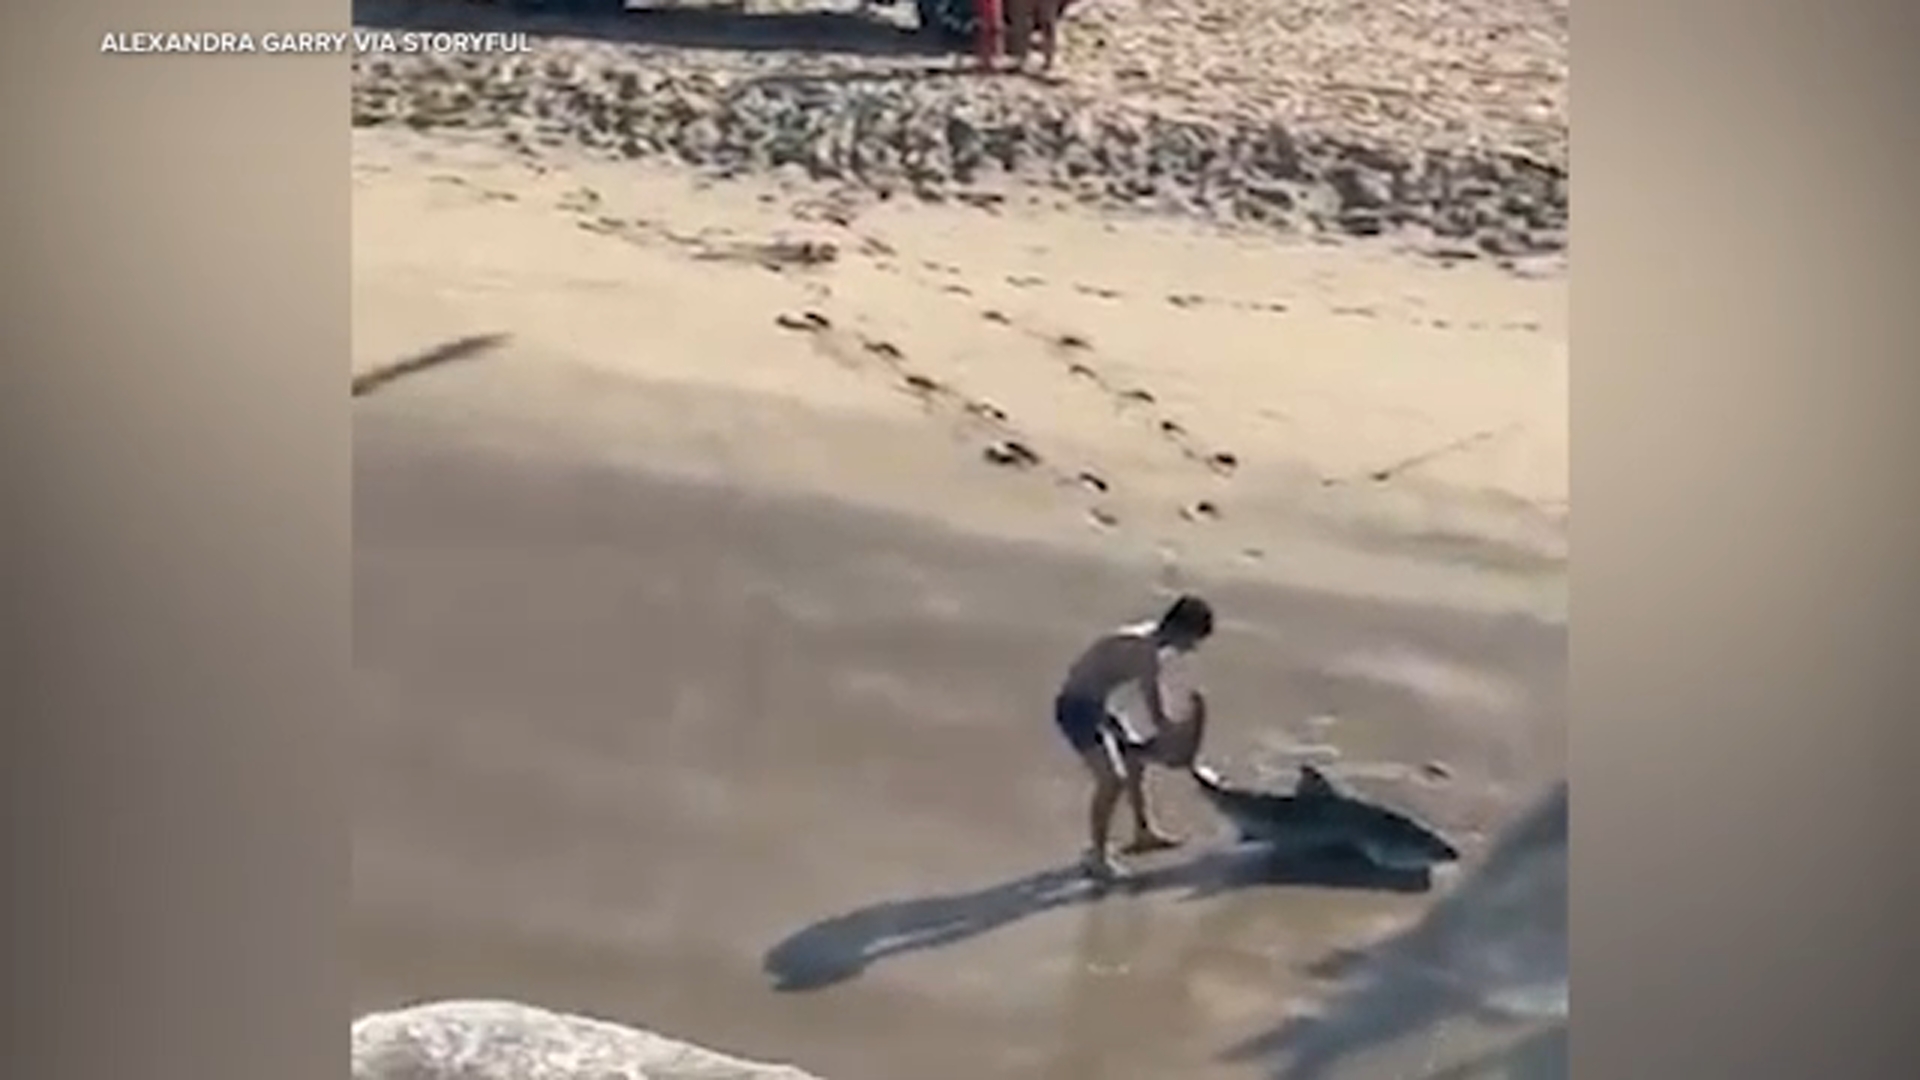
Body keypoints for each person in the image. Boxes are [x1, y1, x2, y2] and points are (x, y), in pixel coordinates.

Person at [1053, 594, 1216, 879]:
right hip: (1076, 707)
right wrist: (1176, 745)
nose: (1192, 648)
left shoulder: (1147, 644)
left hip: (1099, 706)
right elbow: (1152, 702)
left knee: (1134, 759)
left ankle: (1143, 833)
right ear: (1182, 630)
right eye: (1193, 641)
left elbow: (1132, 694)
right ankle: (1097, 857)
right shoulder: (1144, 649)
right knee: (1112, 780)